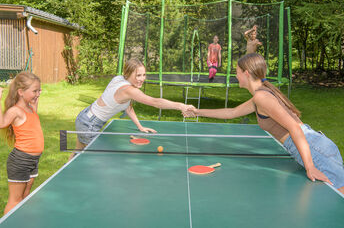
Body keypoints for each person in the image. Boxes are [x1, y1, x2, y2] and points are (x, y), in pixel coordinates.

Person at [185, 53, 344, 194]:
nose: (236, 75)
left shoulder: (262, 97)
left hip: (312, 148)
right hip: (311, 146)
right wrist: (197, 111)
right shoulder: (260, 96)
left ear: (246, 73)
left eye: (237, 72)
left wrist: (310, 166)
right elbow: (232, 112)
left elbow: (294, 127)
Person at [69, 58, 195, 160]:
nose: (142, 79)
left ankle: (68, 173)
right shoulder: (129, 90)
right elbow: (155, 102)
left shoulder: (118, 79)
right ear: (128, 74)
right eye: (138, 75)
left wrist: (140, 126)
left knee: (77, 152)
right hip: (89, 124)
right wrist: (180, 106)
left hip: (85, 117)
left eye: (144, 75)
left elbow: (128, 107)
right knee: (105, 159)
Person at [0, 72, 44, 214]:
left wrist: (35, 97)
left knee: (25, 197)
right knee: (15, 200)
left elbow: (34, 116)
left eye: (39, 90)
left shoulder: (30, 108)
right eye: (35, 91)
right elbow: (2, 123)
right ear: (20, 92)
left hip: (33, 160)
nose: (38, 94)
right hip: (20, 161)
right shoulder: (15, 111)